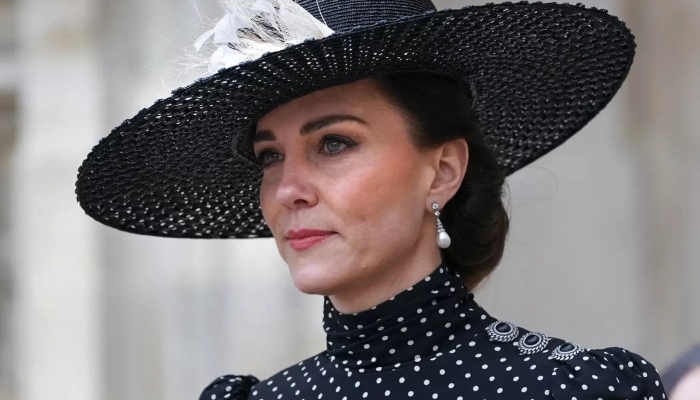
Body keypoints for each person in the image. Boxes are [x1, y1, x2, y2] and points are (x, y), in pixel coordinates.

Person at [75, 0, 668, 398]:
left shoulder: (574, 388)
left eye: (334, 143)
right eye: (270, 156)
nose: (289, 190)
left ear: (442, 171)